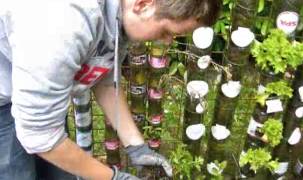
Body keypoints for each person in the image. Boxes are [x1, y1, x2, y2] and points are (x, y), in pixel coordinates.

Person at [0, 0, 221, 179]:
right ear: (143, 5)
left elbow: (102, 75)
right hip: (3, 101)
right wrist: (113, 177)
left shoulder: (120, 14)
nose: (167, 42)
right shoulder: (66, 24)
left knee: (59, 171)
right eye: (166, 31)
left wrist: (136, 147)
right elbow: (40, 135)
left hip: (34, 97)